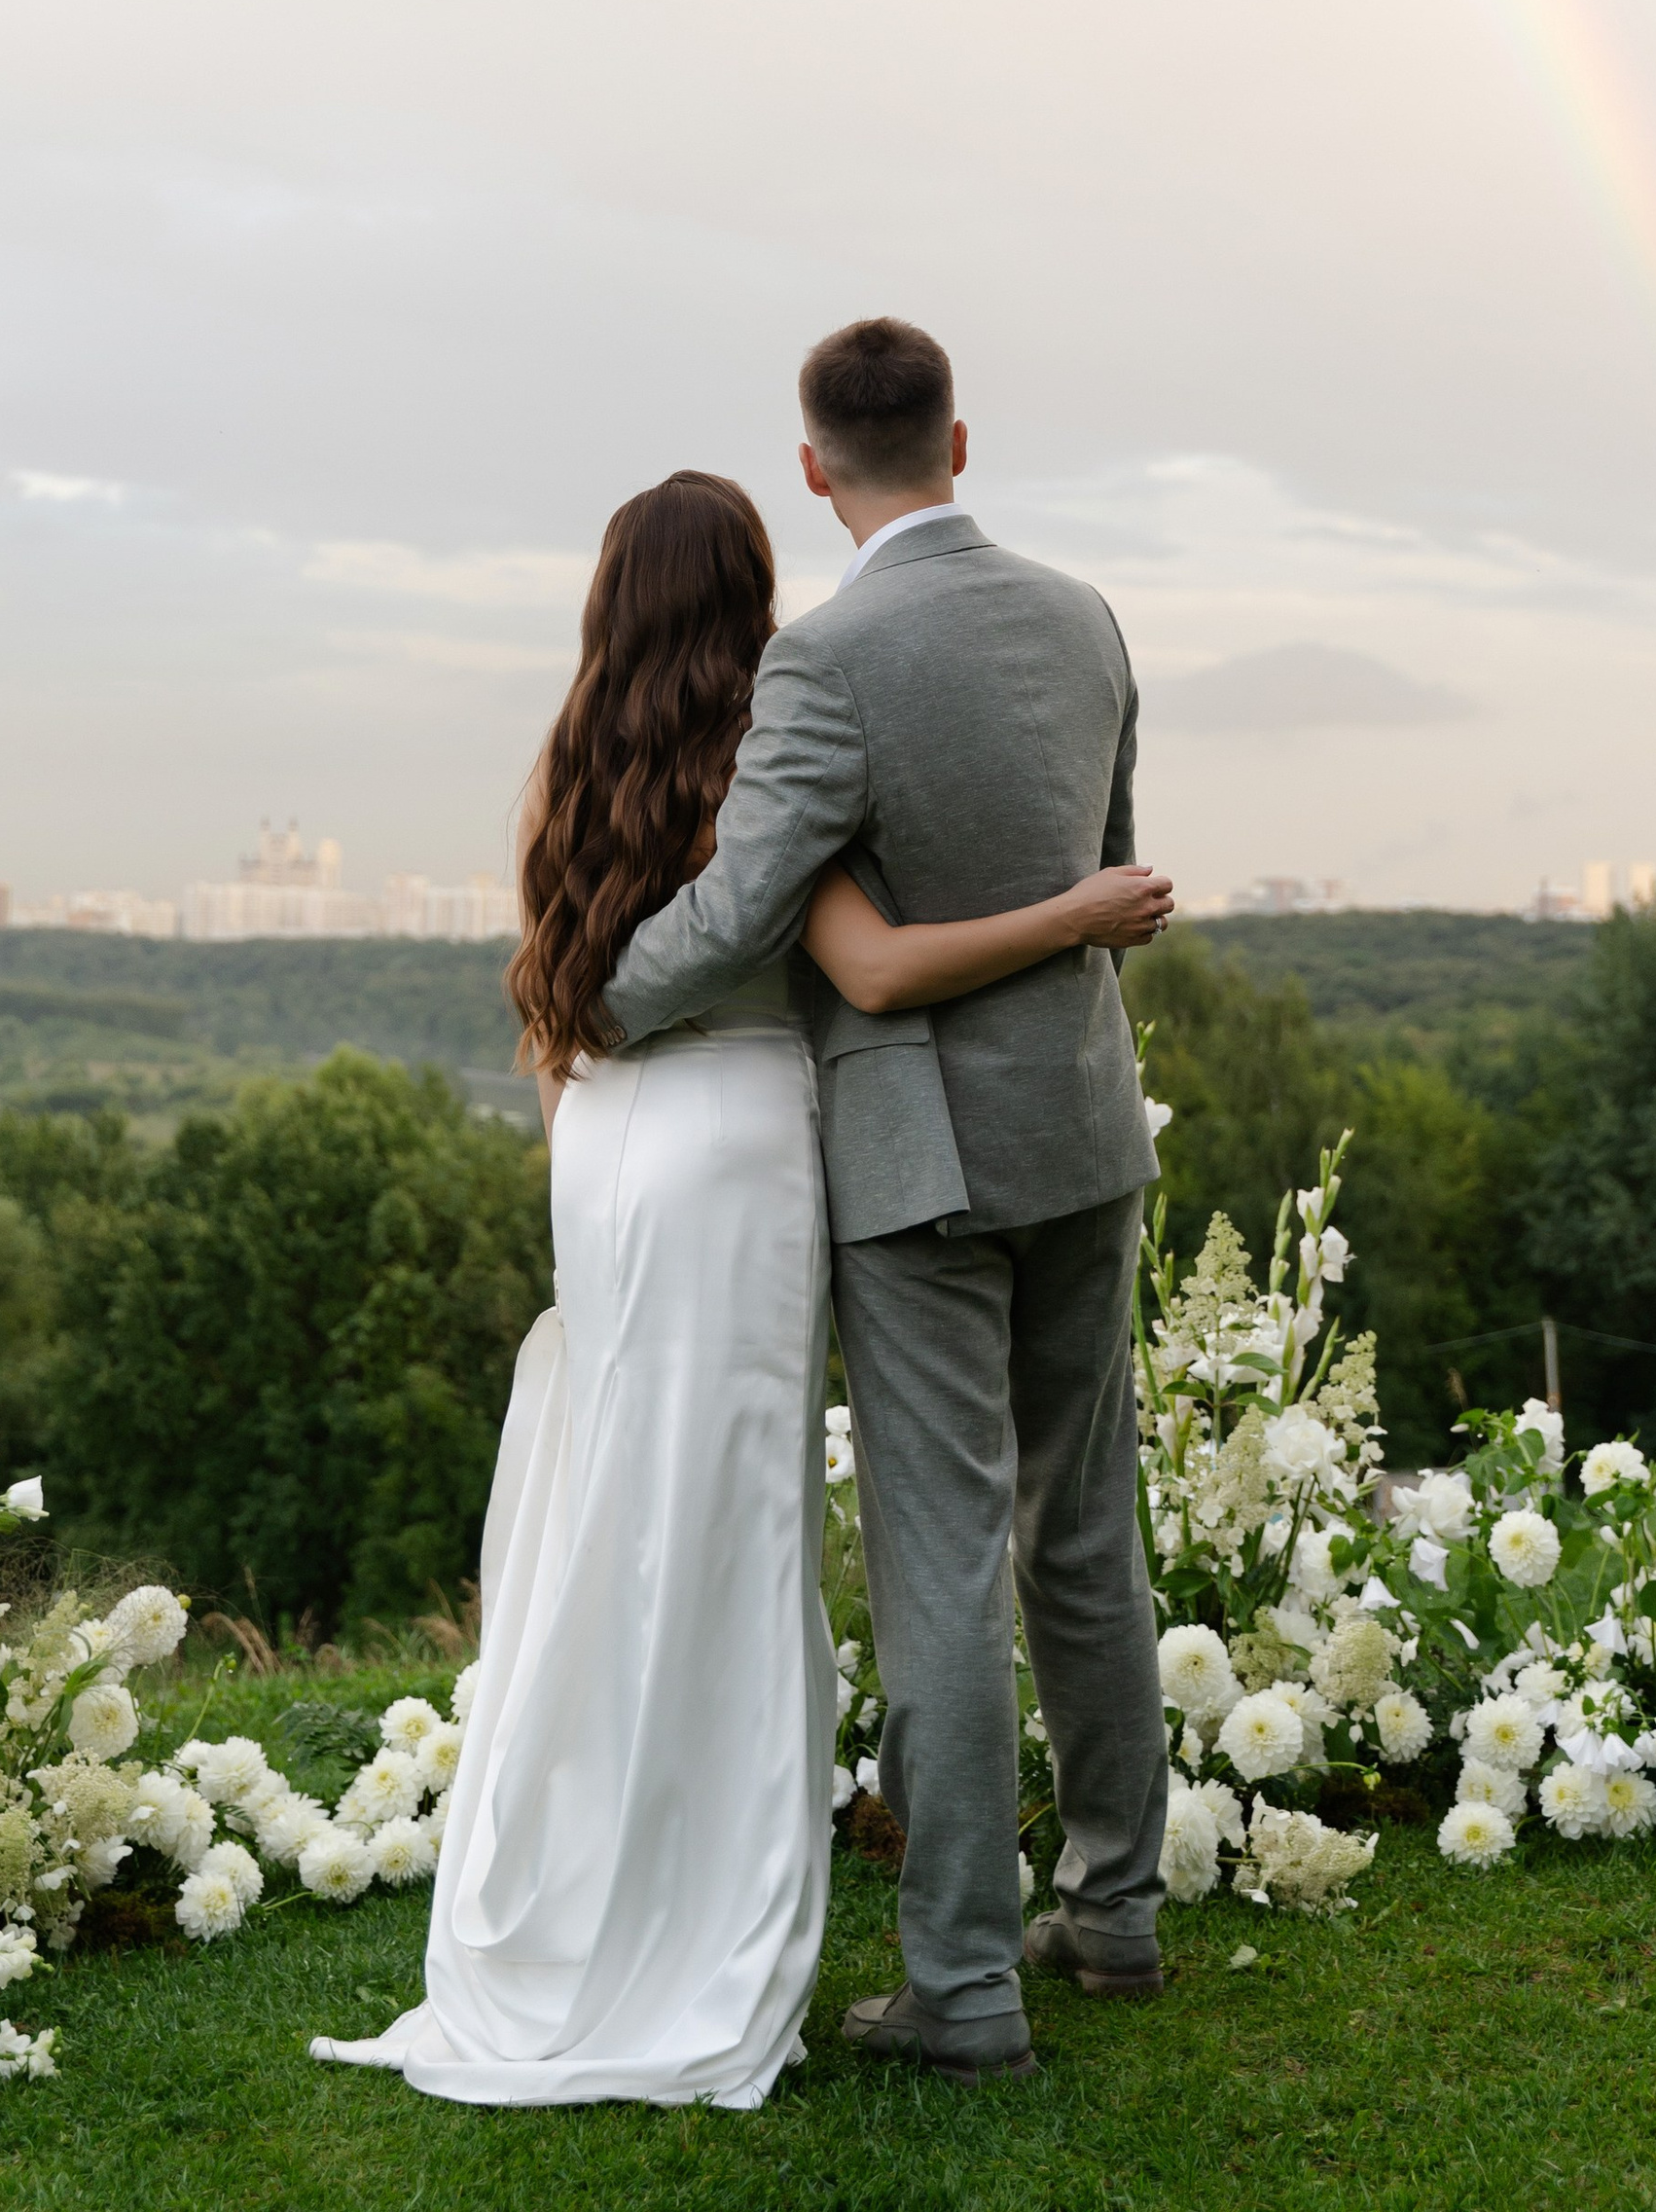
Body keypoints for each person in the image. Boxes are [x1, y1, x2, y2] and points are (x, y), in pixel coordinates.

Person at [309, 453, 1168, 2111]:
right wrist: (1076, 911)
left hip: (615, 1152)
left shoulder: (575, 772)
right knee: (843, 1521)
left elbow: (563, 1017)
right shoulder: (794, 735)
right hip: (808, 1136)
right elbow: (860, 961)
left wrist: (591, 1072)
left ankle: (656, 1871)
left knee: (632, 1502)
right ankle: (1078, 1914)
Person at [597, 318, 1173, 2087]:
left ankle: (966, 1987)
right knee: (1085, 1526)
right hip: (1084, 1129)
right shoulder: (1087, 621)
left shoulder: (825, 663)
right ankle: (1122, 1912)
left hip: (919, 1171)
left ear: (812, 464)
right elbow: (1105, 858)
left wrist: (603, 995)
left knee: (940, 1561)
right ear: (960, 440)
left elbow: (754, 901)